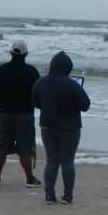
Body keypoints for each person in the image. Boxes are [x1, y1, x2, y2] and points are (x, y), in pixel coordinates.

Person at [31, 51, 90, 205]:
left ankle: (49, 195)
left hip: (47, 126)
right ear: (68, 69)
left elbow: (35, 102)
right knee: (67, 162)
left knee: (52, 161)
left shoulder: (41, 82)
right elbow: (85, 106)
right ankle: (67, 195)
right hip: (70, 128)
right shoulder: (72, 85)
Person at [0, 40, 42, 188]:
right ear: (26, 54)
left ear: (11, 53)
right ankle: (30, 178)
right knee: (24, 148)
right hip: (25, 114)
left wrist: (1, 102)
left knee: (3, 147)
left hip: (5, 113)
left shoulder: (1, 70)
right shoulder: (32, 71)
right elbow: (37, 93)